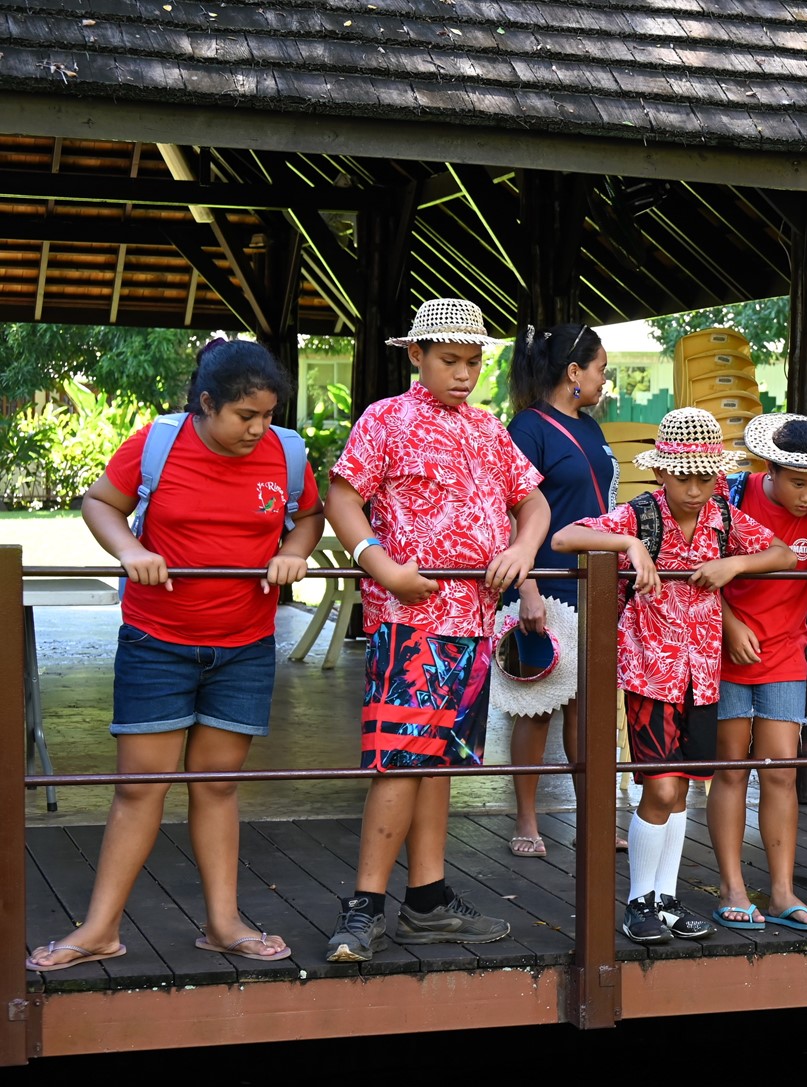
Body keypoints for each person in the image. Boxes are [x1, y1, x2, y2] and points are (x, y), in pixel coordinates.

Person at [27, 340, 322, 971]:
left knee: (217, 785)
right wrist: (130, 550)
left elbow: (308, 516)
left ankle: (223, 925)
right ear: (206, 404)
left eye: (268, 415)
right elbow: (100, 502)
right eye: (245, 415)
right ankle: (99, 930)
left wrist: (293, 551)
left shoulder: (288, 453)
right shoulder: (157, 444)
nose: (258, 429)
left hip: (243, 647)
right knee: (140, 788)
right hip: (157, 642)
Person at [324, 299, 551, 963]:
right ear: (416, 355)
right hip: (409, 617)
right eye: (450, 360)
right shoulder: (385, 419)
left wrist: (523, 549)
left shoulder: (487, 427)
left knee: (440, 760)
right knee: (400, 758)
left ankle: (426, 899)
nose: (464, 374)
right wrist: (382, 566)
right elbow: (342, 497)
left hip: (473, 622)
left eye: (474, 362)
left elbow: (533, 500)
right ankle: (364, 906)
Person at [552, 408, 793, 943]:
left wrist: (735, 565)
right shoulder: (639, 516)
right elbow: (566, 538)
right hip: (650, 675)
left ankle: (665, 900)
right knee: (660, 788)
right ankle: (639, 900)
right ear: (661, 471)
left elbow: (784, 553)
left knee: (682, 788)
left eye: (705, 476)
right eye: (683, 476)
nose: (695, 488)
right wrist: (628, 545)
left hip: (701, 675)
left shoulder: (723, 517)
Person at [708, 413, 807, 931]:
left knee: (780, 772)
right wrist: (730, 625)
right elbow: (697, 565)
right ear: (769, 469)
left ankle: (781, 893)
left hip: (785, 654)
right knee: (731, 769)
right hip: (725, 650)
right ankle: (732, 888)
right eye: (798, 483)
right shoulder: (731, 494)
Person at [495, 322, 622, 859]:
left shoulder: (590, 426)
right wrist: (525, 588)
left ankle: (594, 818)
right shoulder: (528, 428)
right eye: (600, 369)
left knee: (586, 710)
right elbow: (509, 514)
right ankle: (527, 821)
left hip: (594, 586)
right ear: (574, 371)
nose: (604, 379)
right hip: (543, 586)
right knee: (536, 706)